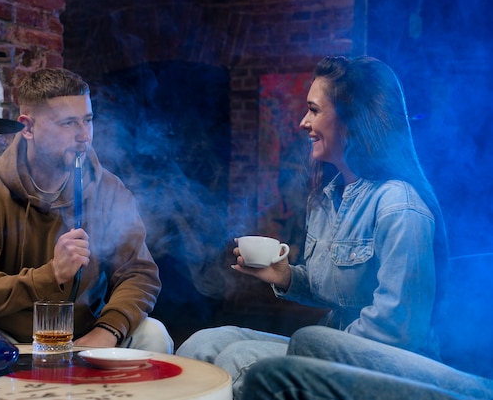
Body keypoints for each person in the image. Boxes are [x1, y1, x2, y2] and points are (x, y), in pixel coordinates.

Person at [176, 55, 449, 397]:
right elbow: (334, 288)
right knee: (202, 344)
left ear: (351, 118)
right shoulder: (328, 196)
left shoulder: (399, 206)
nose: (303, 122)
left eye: (314, 110)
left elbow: (397, 331)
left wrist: (316, 347)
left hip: (388, 371)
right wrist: (286, 276)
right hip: (328, 349)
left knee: (238, 359)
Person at [0, 68, 173, 353]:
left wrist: (109, 329)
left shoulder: (110, 190)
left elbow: (139, 273)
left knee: (154, 334)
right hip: (8, 340)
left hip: (88, 336)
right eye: (67, 123)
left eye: (87, 121)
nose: (83, 136)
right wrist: (49, 276)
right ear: (27, 128)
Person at [240, 326, 493, 400]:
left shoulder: (397, 204)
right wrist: (288, 278)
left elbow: (399, 324)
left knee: (271, 377)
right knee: (310, 339)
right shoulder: (325, 201)